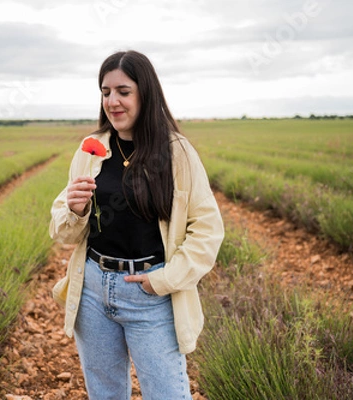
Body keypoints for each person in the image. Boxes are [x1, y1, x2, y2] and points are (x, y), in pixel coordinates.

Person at [49, 50, 224, 400]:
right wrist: (74, 208)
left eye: (123, 91)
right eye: (105, 92)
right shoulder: (90, 149)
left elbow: (207, 229)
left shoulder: (177, 152)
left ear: (146, 92)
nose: (112, 101)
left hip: (151, 294)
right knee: (106, 395)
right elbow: (64, 232)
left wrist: (163, 281)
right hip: (94, 291)